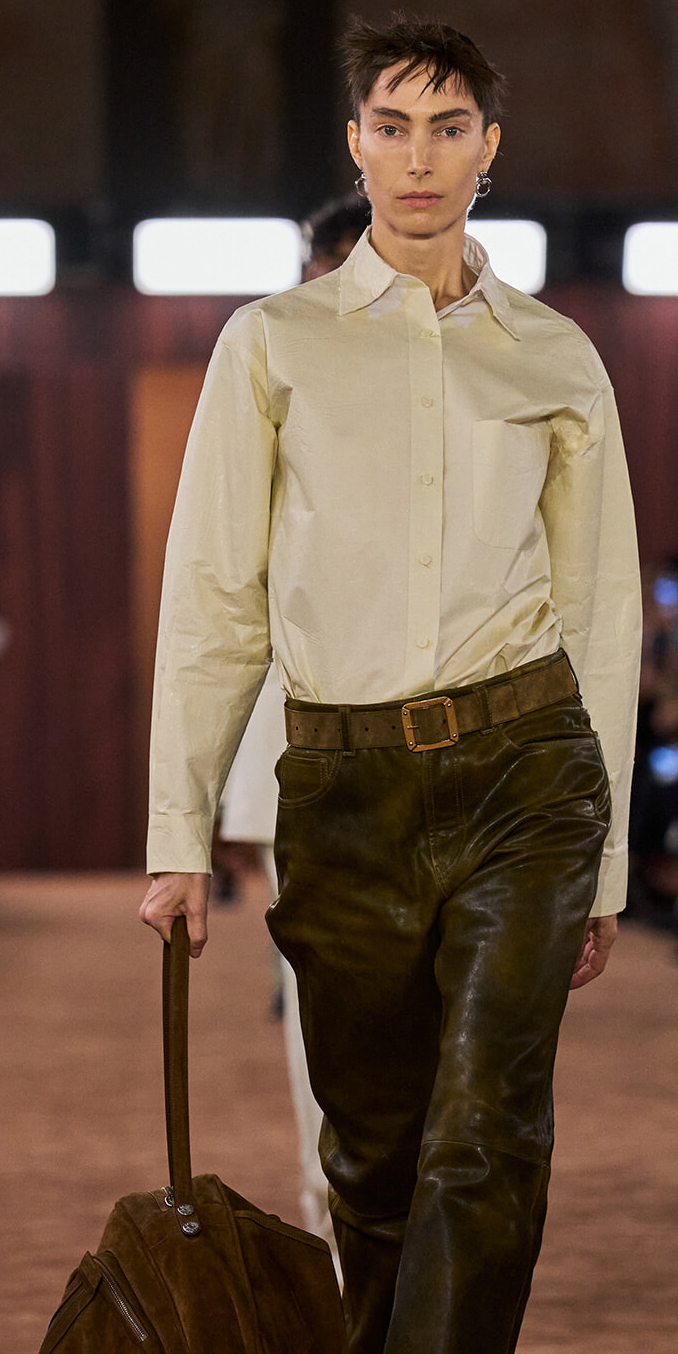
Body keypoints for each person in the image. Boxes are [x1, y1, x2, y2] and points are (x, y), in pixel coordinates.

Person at [140, 15, 641, 1354]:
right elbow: (213, 597)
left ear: (492, 145)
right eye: (391, 123)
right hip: (341, 794)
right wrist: (174, 828)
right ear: (353, 146)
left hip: (523, 779)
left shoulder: (555, 356)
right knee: (373, 1172)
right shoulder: (274, 343)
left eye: (451, 124)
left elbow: (605, 618)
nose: (420, 152)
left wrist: (609, 861)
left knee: (483, 1158)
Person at [216, 191, 373, 1249]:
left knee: (458, 1029)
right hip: (305, 752)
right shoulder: (264, 378)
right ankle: (345, 1226)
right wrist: (197, 802)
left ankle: (426, 1229)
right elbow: (222, 602)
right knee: (324, 1016)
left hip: (475, 749)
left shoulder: (502, 369)